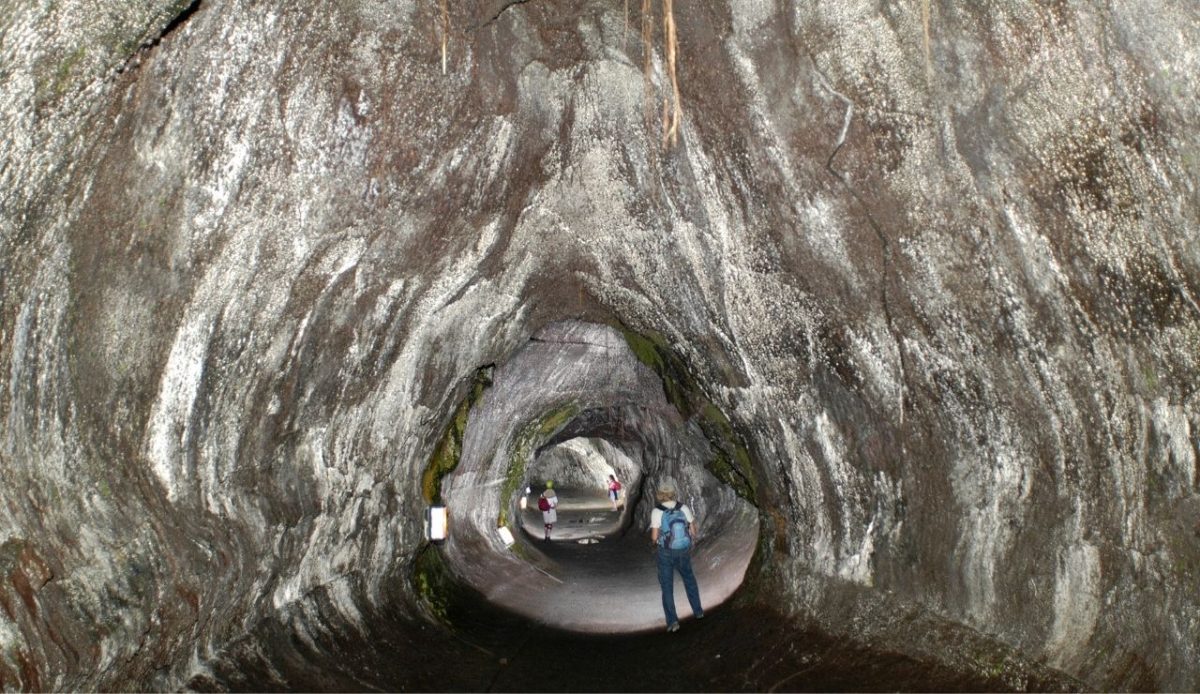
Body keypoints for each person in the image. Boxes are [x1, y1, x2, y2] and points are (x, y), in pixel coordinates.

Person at [650, 480, 703, 632]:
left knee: (667, 586)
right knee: (689, 580)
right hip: (683, 550)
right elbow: (693, 530)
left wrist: (657, 541)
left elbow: (654, 537)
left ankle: (673, 622)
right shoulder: (683, 507)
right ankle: (698, 611)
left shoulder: (657, 511)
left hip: (665, 552)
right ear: (673, 493)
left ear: (659, 494)